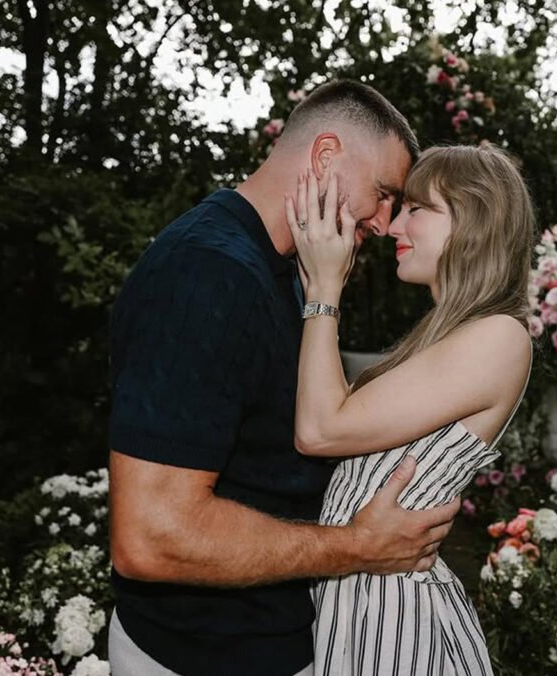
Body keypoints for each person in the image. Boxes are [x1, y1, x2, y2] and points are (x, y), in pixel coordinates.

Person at [106, 81, 461, 676]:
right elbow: (151, 536)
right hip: (201, 657)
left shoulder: (285, 270)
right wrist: (358, 547)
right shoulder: (208, 272)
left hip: (260, 640)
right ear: (324, 156)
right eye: (382, 194)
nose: (383, 223)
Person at [282, 144, 534, 674]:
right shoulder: (445, 337)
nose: (395, 226)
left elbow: (321, 429)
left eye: (417, 209)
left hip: (392, 615)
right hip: (359, 600)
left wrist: (325, 289)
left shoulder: (500, 336)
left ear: (475, 219)